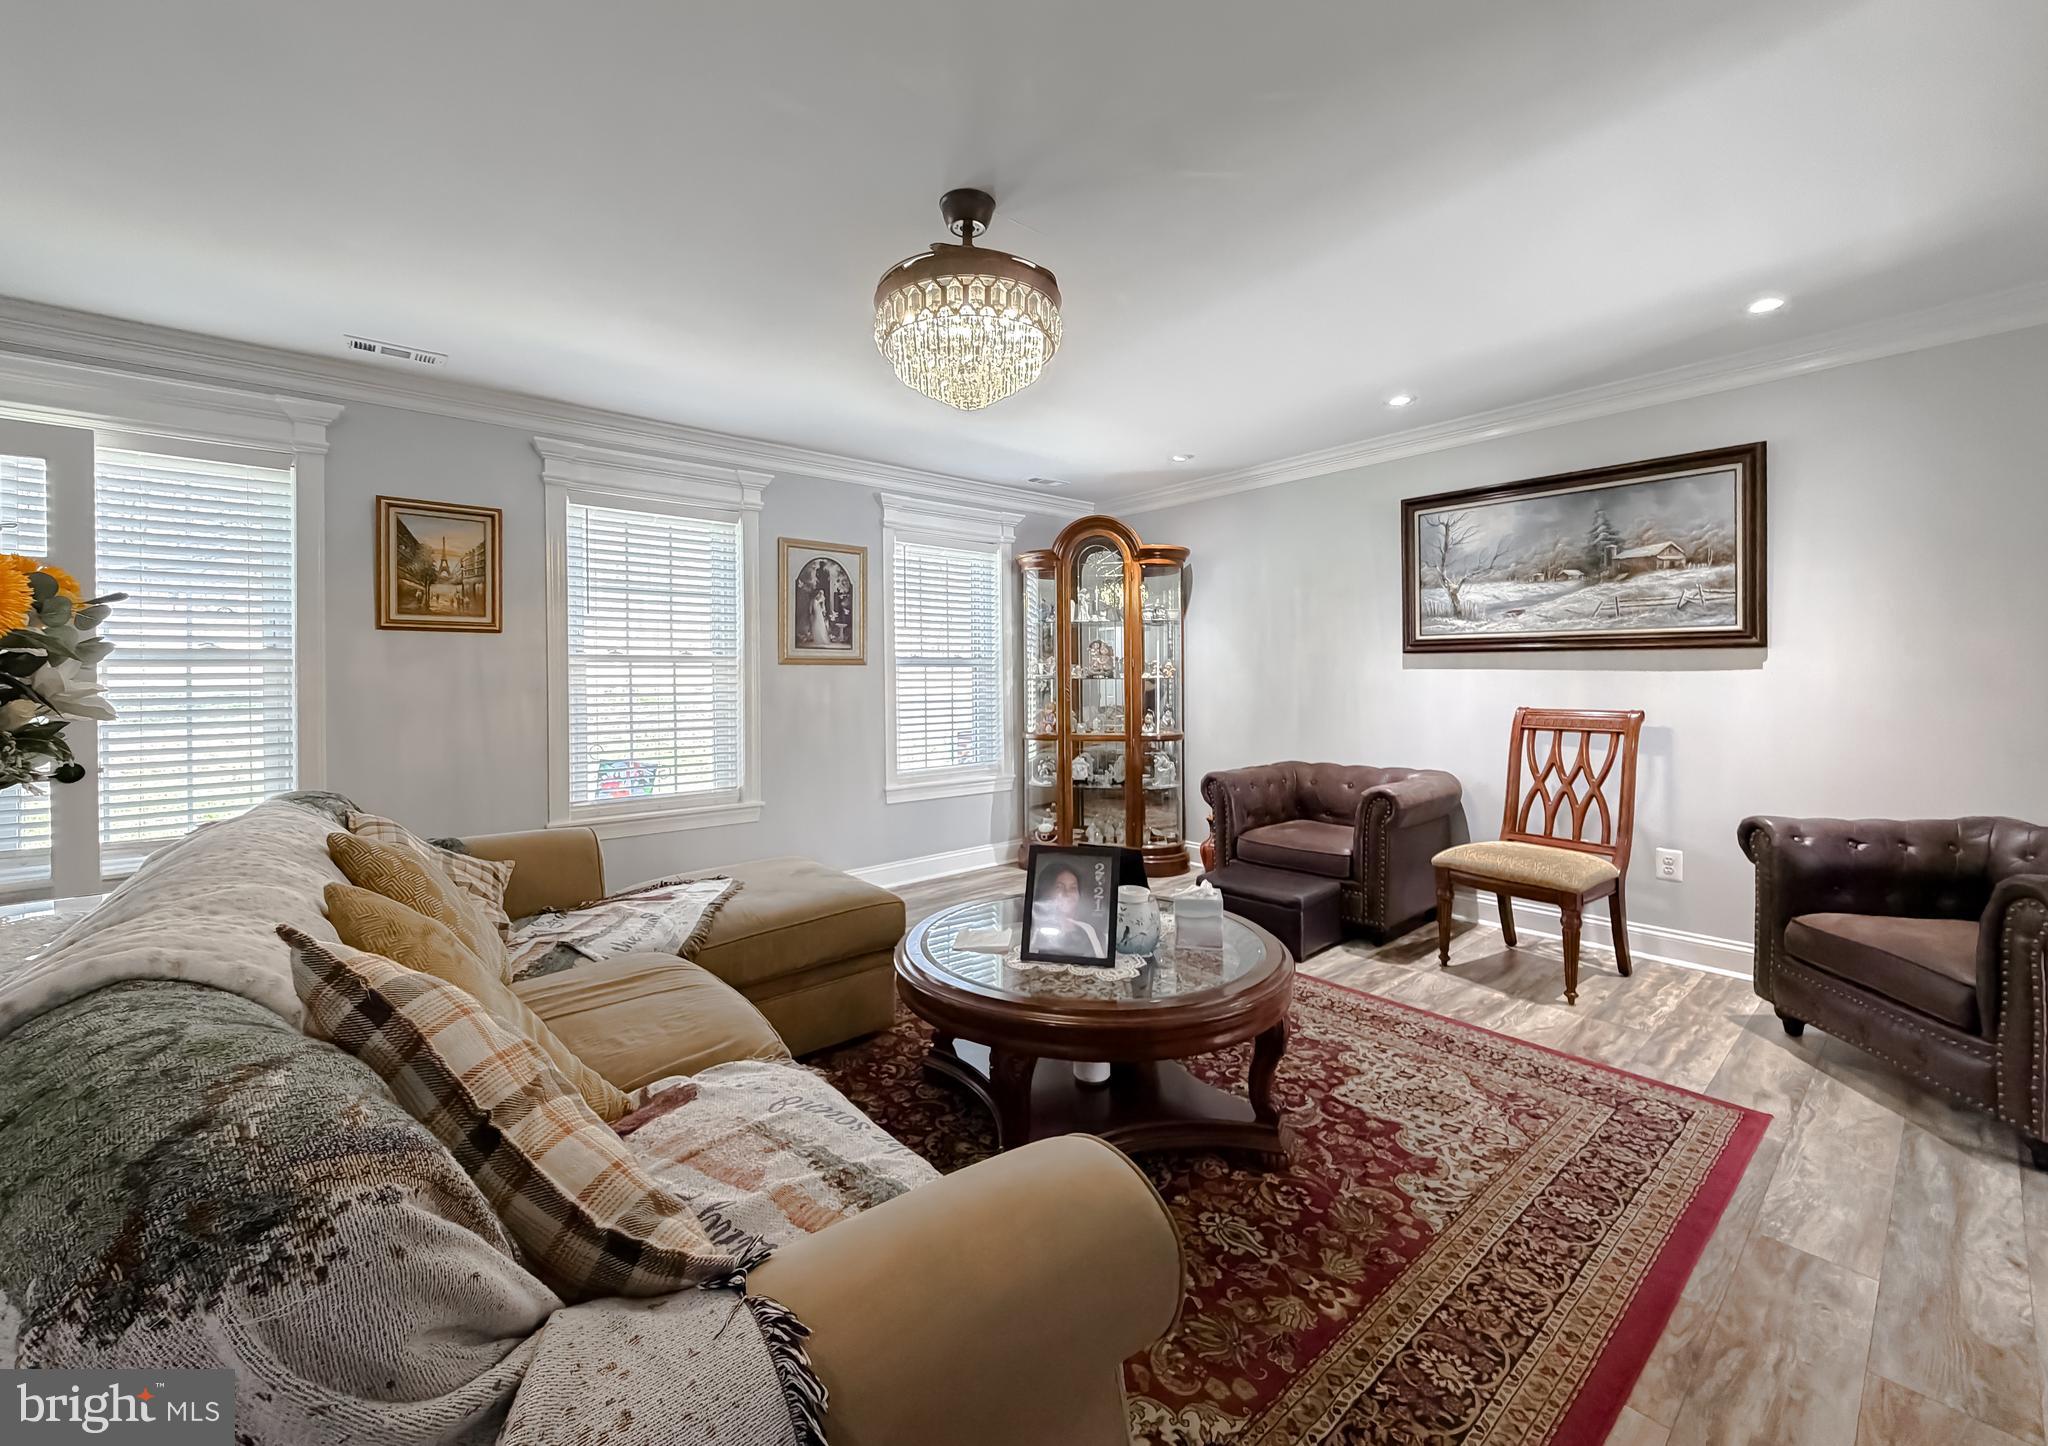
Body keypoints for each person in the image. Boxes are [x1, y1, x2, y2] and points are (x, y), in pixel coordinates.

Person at [1031, 863, 1107, 957]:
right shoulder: (1032, 934)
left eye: (1073, 888)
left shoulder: (1093, 934)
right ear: (1045, 891)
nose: (1067, 893)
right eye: (1059, 887)